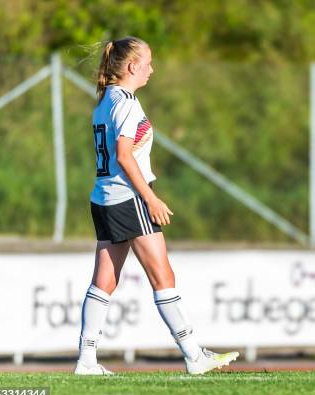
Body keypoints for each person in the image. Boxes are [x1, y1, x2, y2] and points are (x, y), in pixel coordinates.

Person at [75, 36, 238, 375]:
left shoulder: (106, 100)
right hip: (129, 197)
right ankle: (194, 354)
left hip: (104, 196)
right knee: (163, 276)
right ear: (132, 66)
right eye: (148, 62)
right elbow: (124, 155)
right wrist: (150, 197)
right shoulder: (127, 103)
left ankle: (86, 360)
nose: (153, 68)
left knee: (104, 280)